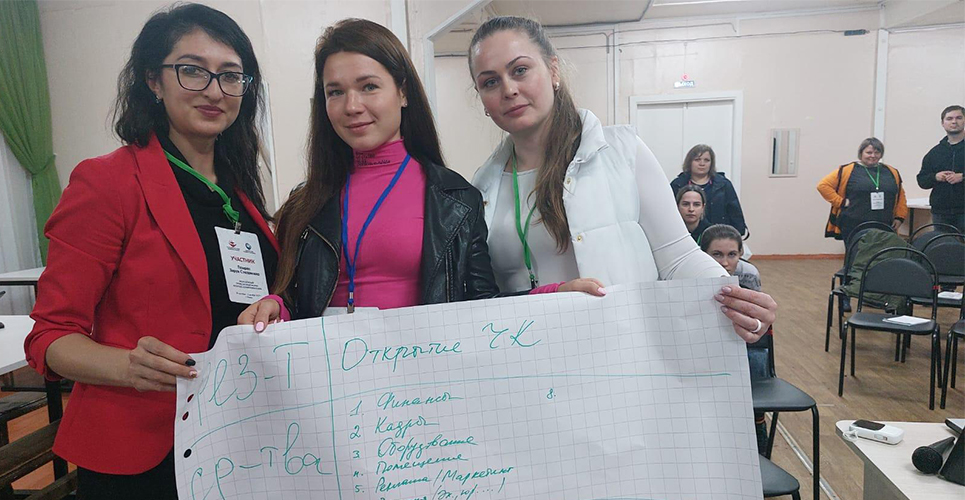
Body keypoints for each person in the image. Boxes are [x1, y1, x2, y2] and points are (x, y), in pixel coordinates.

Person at [22, 4, 276, 498]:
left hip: (238, 436)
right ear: (153, 80)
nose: (214, 90)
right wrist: (127, 367)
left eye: (231, 76)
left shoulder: (239, 188)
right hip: (143, 451)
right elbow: (50, 336)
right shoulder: (108, 182)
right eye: (192, 70)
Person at [239, 19, 599, 328]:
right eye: (335, 92)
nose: (352, 106)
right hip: (329, 378)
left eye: (369, 87)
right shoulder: (305, 203)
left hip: (424, 380)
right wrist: (277, 305)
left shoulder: (456, 199)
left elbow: (481, 306)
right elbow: (295, 296)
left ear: (403, 92)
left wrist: (550, 296)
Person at [467, 16, 776, 343]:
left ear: (553, 70)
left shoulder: (624, 152)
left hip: (626, 352)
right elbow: (489, 295)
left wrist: (738, 301)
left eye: (520, 70)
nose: (509, 90)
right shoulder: (482, 187)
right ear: (482, 99)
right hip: (535, 355)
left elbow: (679, 257)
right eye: (490, 82)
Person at [699, 223, 768, 453]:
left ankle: (758, 430)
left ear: (741, 254)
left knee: (757, 358)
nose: (725, 262)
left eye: (732, 255)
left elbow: (755, 318)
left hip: (739, 340)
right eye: (716, 254)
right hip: (704, 345)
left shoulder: (749, 274)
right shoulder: (690, 272)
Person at [818, 137, 908, 241]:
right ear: (861, 153)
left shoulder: (892, 172)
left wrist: (899, 217)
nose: (873, 156)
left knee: (883, 251)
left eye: (877, 152)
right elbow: (823, 186)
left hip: (884, 224)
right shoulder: (847, 170)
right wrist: (841, 202)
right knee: (858, 251)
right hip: (854, 224)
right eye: (869, 152)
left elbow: (900, 196)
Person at [670, 144, 747, 235]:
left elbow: (735, 213)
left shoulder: (724, 185)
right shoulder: (677, 185)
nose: (702, 164)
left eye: (706, 160)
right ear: (690, 162)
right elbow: (669, 213)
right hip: (685, 234)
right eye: (697, 160)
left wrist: (737, 234)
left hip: (719, 235)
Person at [917, 105, 964, 233]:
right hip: (941, 213)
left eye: (959, 118)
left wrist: (962, 177)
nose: (954, 122)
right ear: (943, 123)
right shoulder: (934, 153)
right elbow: (922, 180)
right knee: (943, 244)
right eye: (949, 119)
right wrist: (935, 177)